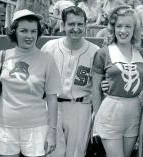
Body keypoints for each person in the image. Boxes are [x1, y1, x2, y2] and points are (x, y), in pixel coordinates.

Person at [0, 9, 61, 157]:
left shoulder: (47, 60)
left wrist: (52, 132)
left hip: (37, 128)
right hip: (5, 127)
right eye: (24, 31)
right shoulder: (3, 57)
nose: (29, 36)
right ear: (14, 32)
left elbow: (52, 99)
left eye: (33, 31)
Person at [41, 6, 100, 157]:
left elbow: (98, 85)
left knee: (77, 153)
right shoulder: (49, 47)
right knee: (51, 151)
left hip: (81, 107)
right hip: (52, 106)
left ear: (85, 26)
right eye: (71, 24)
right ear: (63, 25)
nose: (76, 28)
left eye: (80, 24)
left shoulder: (95, 51)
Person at [92, 5, 143, 157]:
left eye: (128, 26)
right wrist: (96, 120)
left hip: (134, 113)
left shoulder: (140, 53)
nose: (123, 31)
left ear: (135, 29)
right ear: (113, 28)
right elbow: (95, 89)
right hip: (110, 113)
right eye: (119, 26)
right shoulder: (103, 53)